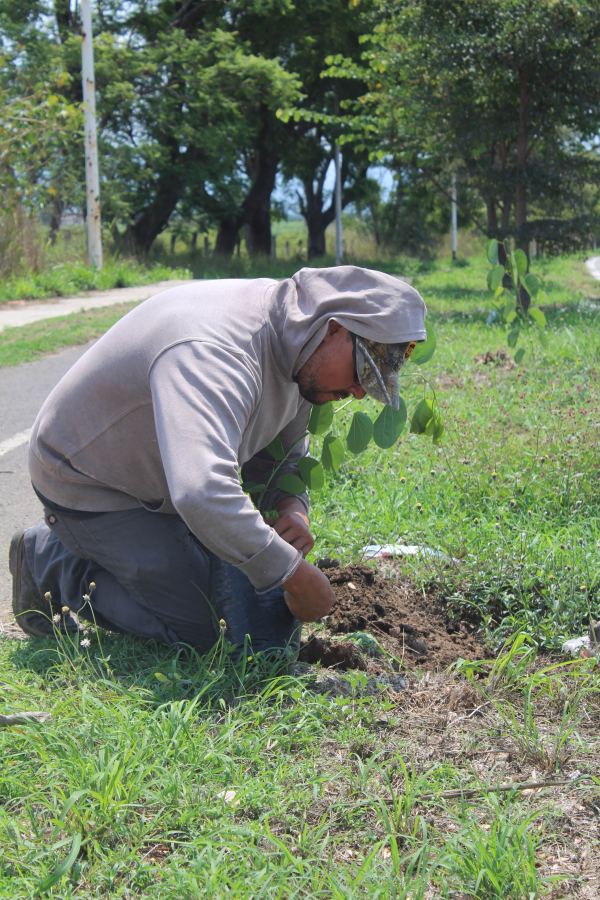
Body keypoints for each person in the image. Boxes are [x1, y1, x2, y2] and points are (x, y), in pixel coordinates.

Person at [9, 266, 426, 657]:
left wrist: (292, 508)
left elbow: (280, 457)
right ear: (334, 329)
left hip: (168, 474)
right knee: (217, 631)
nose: (357, 392)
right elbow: (202, 492)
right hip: (89, 480)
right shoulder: (218, 353)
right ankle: (50, 562)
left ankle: (151, 549)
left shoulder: (301, 347)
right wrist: (291, 574)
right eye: (362, 372)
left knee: (247, 603)